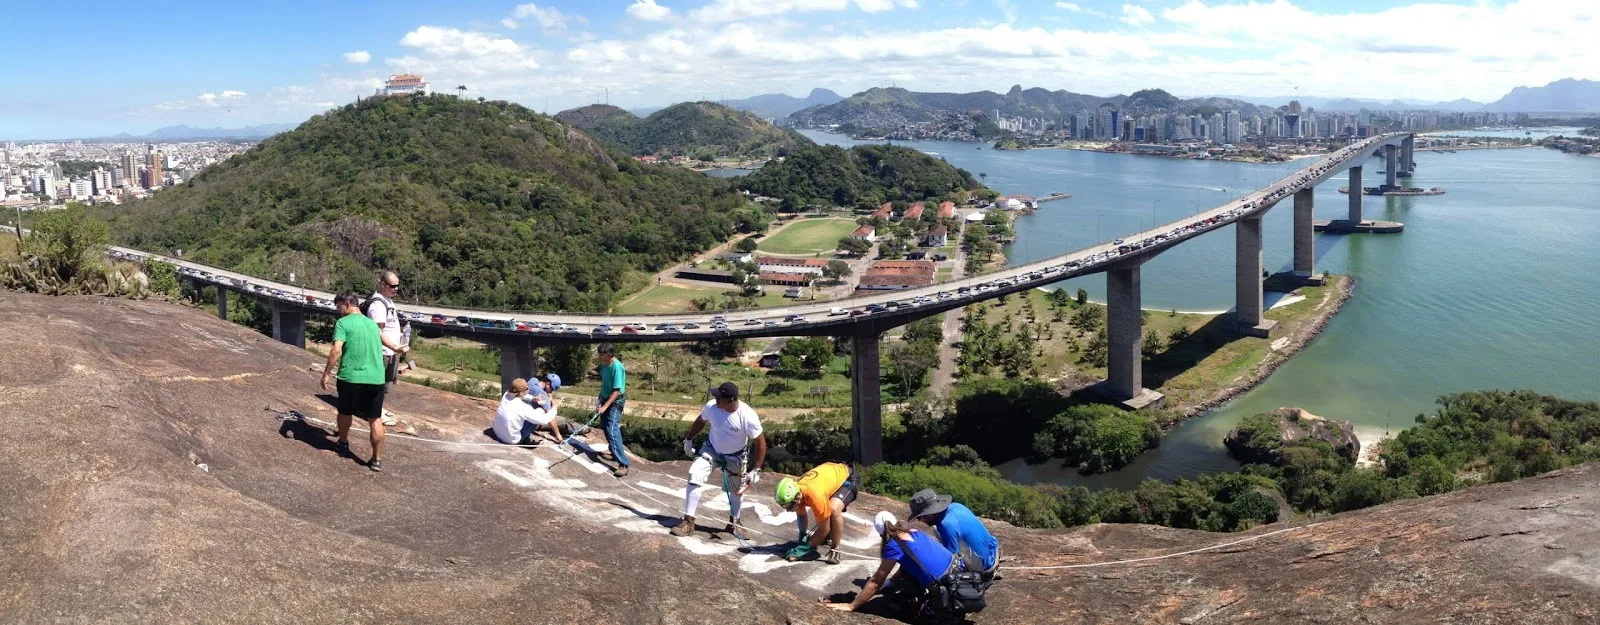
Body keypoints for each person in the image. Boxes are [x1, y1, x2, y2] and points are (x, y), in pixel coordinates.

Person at [671, 382, 768, 537]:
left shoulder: (747, 416)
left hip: (736, 456)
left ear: (730, 400)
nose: (715, 400)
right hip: (712, 450)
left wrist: (757, 468)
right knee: (695, 473)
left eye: (719, 398)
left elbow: (760, 443)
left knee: (736, 491)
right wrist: (688, 439)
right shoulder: (712, 407)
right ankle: (688, 521)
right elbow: (700, 422)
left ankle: (734, 523)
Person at [823, 511, 960, 619]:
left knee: (896, 602)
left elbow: (876, 581)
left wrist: (851, 605)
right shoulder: (915, 532)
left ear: (881, 533)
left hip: (942, 593)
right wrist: (891, 582)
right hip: (956, 577)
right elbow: (909, 564)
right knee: (906, 581)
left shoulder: (894, 545)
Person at [321, 291, 389, 472]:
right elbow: (385, 344)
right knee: (375, 419)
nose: (338, 311)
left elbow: (336, 350)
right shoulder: (372, 325)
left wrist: (326, 373)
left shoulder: (343, 323)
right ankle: (376, 460)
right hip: (375, 378)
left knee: (344, 412)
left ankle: (343, 443)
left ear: (347, 303)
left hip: (350, 377)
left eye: (339, 306)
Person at [774, 461, 858, 565]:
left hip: (848, 478)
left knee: (833, 510)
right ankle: (825, 537)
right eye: (785, 506)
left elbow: (824, 528)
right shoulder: (798, 489)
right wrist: (802, 536)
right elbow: (801, 514)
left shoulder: (814, 495)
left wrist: (805, 548)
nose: (788, 509)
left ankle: (835, 548)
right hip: (830, 475)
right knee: (825, 518)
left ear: (797, 497)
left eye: (789, 506)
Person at [909, 489, 1000, 583]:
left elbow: (953, 564)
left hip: (985, 569)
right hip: (994, 554)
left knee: (936, 530)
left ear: (931, 512)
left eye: (921, 517)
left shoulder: (947, 525)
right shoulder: (956, 506)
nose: (921, 521)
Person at [363, 271, 409, 426]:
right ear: (383, 284)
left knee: (386, 384)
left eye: (397, 286)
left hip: (391, 351)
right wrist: (394, 346)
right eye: (392, 286)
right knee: (377, 384)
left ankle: (378, 408)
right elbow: (377, 333)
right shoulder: (377, 304)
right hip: (382, 352)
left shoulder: (388, 300)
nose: (396, 289)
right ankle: (373, 412)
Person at [493, 375, 581, 445]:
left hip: (497, 432)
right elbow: (544, 420)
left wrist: (533, 398)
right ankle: (524, 438)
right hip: (511, 440)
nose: (529, 388)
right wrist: (554, 408)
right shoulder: (522, 407)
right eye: (527, 388)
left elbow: (521, 395)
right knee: (541, 412)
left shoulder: (506, 395)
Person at [595, 343, 630, 477]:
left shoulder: (617, 367)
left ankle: (623, 463)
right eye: (599, 354)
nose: (600, 357)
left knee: (612, 428)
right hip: (604, 398)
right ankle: (613, 452)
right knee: (605, 425)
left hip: (615, 401)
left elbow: (616, 391)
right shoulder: (604, 366)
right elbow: (605, 384)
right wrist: (599, 401)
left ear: (609, 355)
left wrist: (605, 407)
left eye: (602, 355)